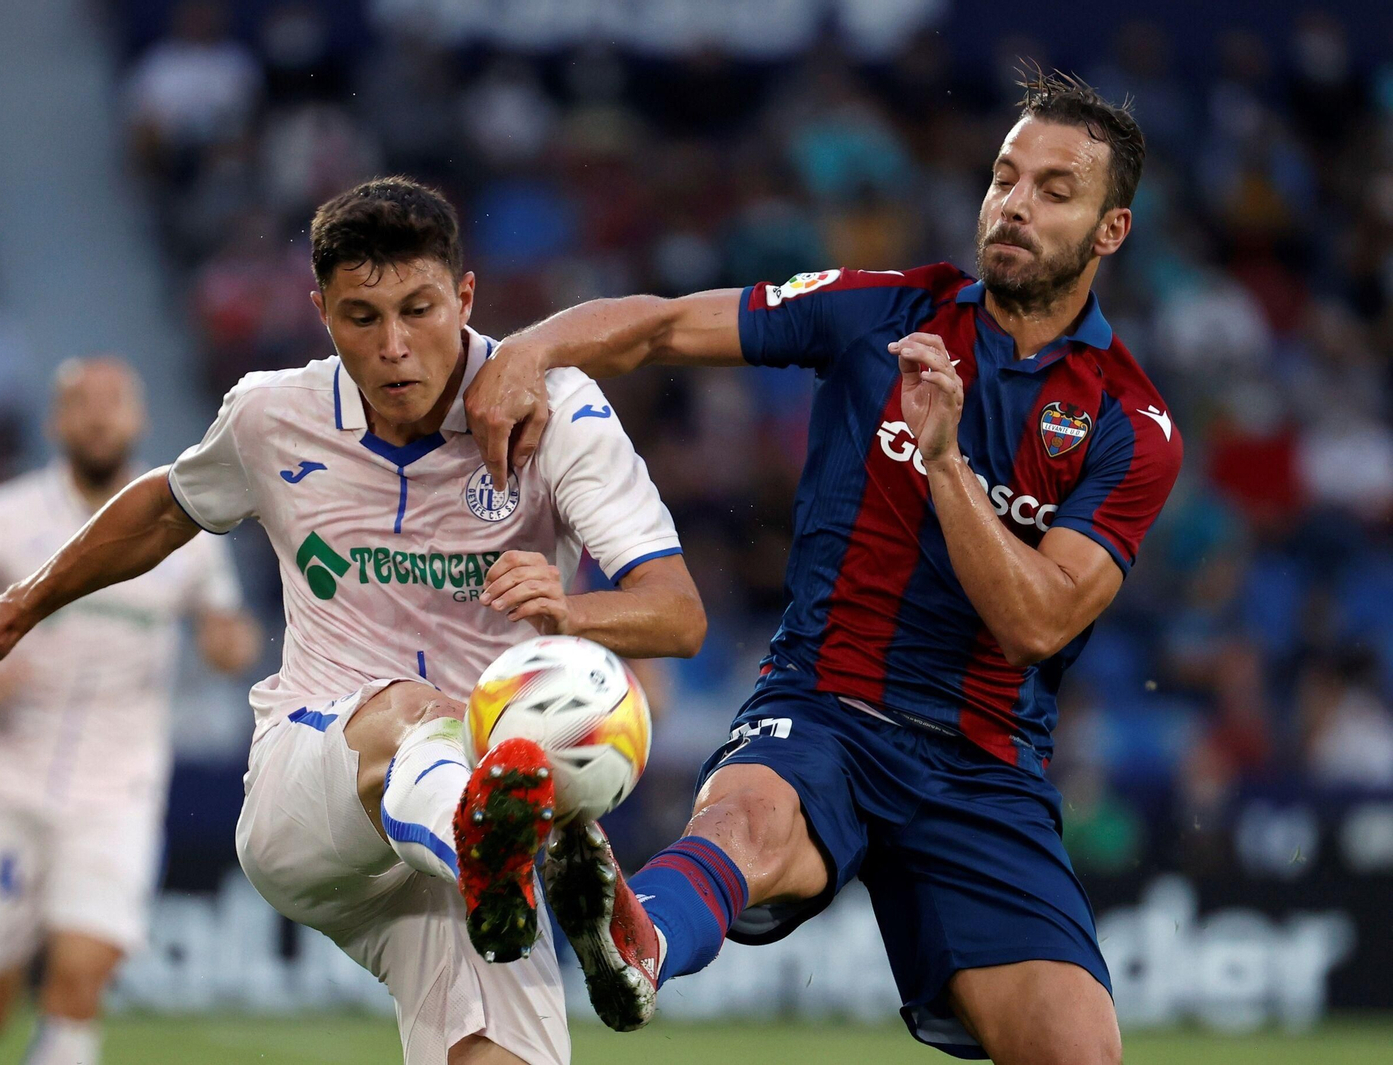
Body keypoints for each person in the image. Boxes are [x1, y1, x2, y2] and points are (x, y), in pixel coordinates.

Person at [464, 71, 1182, 1065]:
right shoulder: (880, 313)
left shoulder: (1129, 426)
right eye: (1003, 178)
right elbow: (666, 324)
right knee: (751, 822)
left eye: (1054, 191)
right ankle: (637, 938)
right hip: (824, 708)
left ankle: (641, 925)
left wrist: (942, 461)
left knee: (1080, 1057)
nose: (1013, 205)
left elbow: (1039, 623)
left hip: (985, 770)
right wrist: (528, 349)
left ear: (1110, 231)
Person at [0, 177, 705, 1065]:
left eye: (420, 309)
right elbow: (168, 506)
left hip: (470, 846)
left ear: (467, 296)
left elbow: (677, 614)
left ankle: (506, 853)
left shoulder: (555, 412)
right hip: (317, 777)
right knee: (420, 714)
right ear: (320, 312)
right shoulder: (273, 415)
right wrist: (17, 608)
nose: (396, 348)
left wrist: (572, 606)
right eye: (361, 318)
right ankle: (524, 847)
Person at [0, 357, 260, 1065]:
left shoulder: (179, 524)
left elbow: (229, 628)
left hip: (118, 787)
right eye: (81, 404)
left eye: (113, 403)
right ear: (54, 421)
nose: (98, 417)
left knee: (81, 974)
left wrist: (230, 640)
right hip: (4, 780)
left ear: (138, 418)